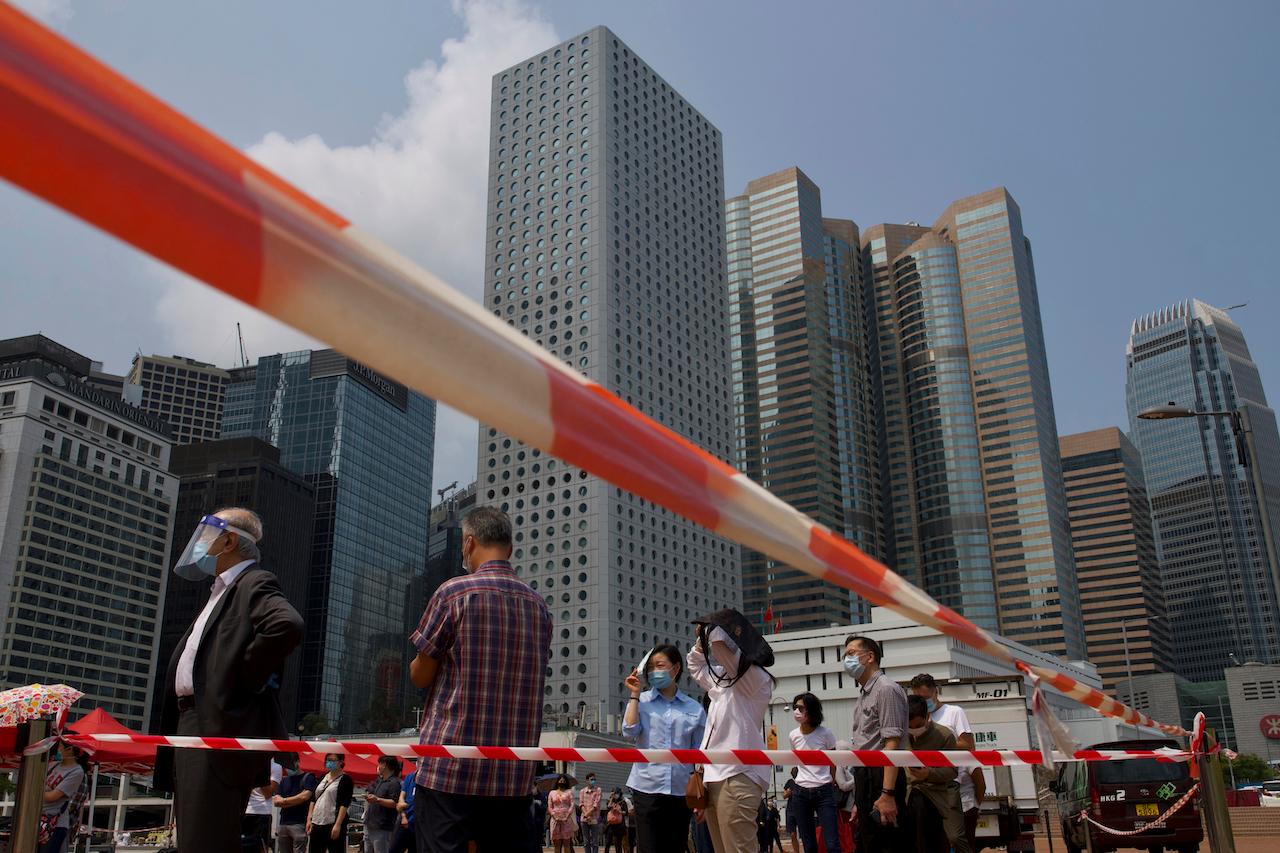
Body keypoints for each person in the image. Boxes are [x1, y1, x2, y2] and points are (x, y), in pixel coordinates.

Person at [153, 509, 305, 853]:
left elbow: (287, 625)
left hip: (214, 723)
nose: (201, 542)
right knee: (196, 837)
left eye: (208, 534)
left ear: (230, 540)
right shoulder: (220, 591)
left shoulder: (253, 581)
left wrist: (239, 681)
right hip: (193, 722)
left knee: (203, 841)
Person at [408, 506, 553, 853]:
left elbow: (420, 676)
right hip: (512, 775)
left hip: (449, 769)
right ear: (511, 549)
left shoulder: (453, 593)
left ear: (469, 542)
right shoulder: (539, 607)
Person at [688, 609, 775, 853]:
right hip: (714, 776)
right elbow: (695, 666)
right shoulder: (723, 681)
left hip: (738, 775)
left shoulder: (757, 680)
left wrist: (712, 631)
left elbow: (720, 650)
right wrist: (700, 640)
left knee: (739, 849)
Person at [621, 643, 706, 853]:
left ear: (675, 669)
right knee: (648, 848)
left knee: (675, 847)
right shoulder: (642, 701)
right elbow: (629, 731)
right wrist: (634, 695)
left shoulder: (694, 709)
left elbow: (701, 756)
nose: (653, 672)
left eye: (659, 665)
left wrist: (701, 798)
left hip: (680, 790)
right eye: (650, 667)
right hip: (646, 787)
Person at [843, 635, 908, 853]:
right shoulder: (863, 694)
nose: (846, 660)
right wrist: (858, 800)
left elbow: (892, 744)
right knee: (868, 843)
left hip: (882, 776)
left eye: (851, 653)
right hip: (865, 777)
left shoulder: (886, 689)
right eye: (845, 656)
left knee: (886, 844)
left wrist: (887, 794)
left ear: (870, 657)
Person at [909, 673, 985, 850]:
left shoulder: (954, 712)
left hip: (949, 782)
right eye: (918, 698)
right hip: (921, 784)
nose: (923, 702)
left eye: (926, 698)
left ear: (936, 692)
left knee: (956, 837)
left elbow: (968, 745)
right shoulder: (912, 718)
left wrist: (936, 748)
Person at [904, 695, 970, 853]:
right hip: (910, 792)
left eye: (918, 725)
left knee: (955, 836)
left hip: (940, 792)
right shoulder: (900, 736)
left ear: (928, 717)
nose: (915, 730)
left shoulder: (944, 735)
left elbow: (951, 770)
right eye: (910, 726)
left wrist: (928, 774)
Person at [787, 693, 840, 853]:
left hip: (824, 790)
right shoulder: (793, 735)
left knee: (832, 844)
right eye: (795, 707)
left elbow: (833, 760)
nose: (796, 711)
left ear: (812, 710)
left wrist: (831, 780)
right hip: (800, 792)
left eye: (801, 708)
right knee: (809, 845)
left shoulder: (826, 733)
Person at [40, 744, 87, 853]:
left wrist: (37, 790)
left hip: (54, 823)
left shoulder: (77, 771)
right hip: (39, 819)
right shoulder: (54, 765)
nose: (57, 749)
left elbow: (52, 796)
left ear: (69, 749)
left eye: (59, 746)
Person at [305, 754, 353, 853]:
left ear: (341, 762)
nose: (329, 762)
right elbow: (313, 799)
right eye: (327, 760)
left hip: (332, 822)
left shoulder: (345, 779)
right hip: (317, 822)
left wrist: (338, 824)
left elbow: (344, 804)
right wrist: (309, 818)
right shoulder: (323, 777)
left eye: (332, 760)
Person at [273, 760, 317, 853]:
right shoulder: (284, 780)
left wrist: (284, 801)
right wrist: (297, 799)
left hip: (299, 823)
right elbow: (276, 802)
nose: (287, 768)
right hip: (283, 823)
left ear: (297, 762)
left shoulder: (308, 777)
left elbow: (305, 796)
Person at [364, 757, 404, 853]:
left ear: (384, 765)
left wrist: (377, 799)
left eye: (379, 764)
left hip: (382, 827)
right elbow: (369, 789)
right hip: (370, 824)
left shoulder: (394, 783)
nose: (378, 767)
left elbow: (395, 803)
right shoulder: (380, 781)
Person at [243, 758, 283, 851]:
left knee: (260, 847)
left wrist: (260, 772)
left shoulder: (276, 766)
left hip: (262, 813)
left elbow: (268, 793)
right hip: (244, 811)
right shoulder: (248, 763)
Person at [831, 741, 856, 853]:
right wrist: (857, 780)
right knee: (846, 835)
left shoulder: (845, 767)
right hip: (845, 808)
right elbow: (843, 785)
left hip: (850, 807)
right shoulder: (839, 767)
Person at [390, 759, 418, 853]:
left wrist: (405, 804)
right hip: (406, 820)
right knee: (394, 849)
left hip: (419, 824)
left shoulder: (427, 780)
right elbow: (401, 798)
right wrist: (403, 815)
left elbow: (420, 802)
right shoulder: (410, 777)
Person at [548, 775, 578, 853]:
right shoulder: (552, 792)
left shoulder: (569, 792)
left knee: (567, 845)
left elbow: (572, 804)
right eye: (560, 781)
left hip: (566, 820)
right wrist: (554, 816)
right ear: (557, 782)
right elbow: (550, 806)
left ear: (566, 782)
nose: (562, 782)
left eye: (564, 781)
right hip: (555, 820)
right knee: (557, 845)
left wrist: (567, 816)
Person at [579, 773, 603, 853]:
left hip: (594, 818)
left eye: (594, 779)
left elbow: (596, 804)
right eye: (591, 779)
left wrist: (587, 814)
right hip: (584, 819)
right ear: (587, 781)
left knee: (595, 842)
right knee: (586, 842)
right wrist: (586, 814)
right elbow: (581, 804)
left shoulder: (598, 790)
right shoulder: (582, 791)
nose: (593, 781)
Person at [782, 768, 799, 853]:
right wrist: (789, 792)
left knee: (804, 833)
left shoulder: (802, 781)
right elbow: (784, 795)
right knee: (793, 834)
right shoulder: (790, 782)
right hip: (791, 811)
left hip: (800, 810)